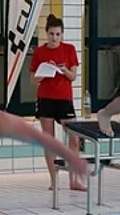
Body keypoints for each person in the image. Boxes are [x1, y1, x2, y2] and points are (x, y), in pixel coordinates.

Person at [30, 14, 86, 191]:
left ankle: (74, 180)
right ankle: (54, 180)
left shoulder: (69, 50)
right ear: (46, 33)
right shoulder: (40, 52)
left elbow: (73, 76)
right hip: (46, 98)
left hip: (64, 99)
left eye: (57, 34)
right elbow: (33, 79)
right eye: (51, 34)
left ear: (62, 35)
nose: (54, 38)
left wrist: (62, 70)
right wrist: (46, 71)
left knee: (74, 139)